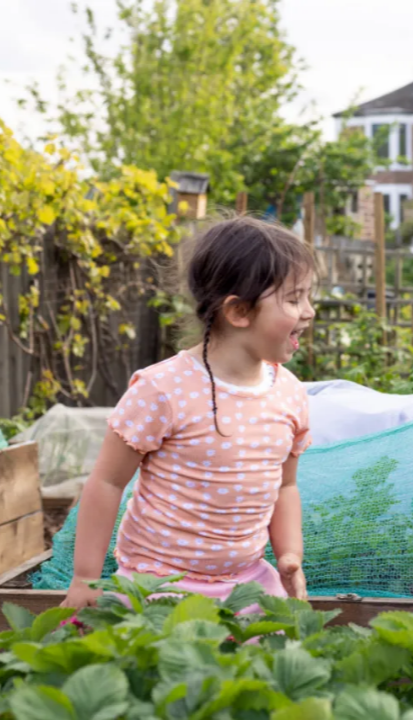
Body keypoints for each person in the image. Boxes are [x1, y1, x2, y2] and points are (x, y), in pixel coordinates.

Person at [61, 216, 316, 609]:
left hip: (246, 581)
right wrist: (85, 579)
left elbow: (285, 486)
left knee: (259, 664)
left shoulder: (290, 394)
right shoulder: (162, 390)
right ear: (239, 311)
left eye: (308, 297)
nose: (309, 312)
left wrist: (290, 556)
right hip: (157, 582)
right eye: (295, 299)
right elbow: (107, 483)